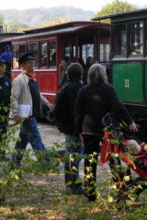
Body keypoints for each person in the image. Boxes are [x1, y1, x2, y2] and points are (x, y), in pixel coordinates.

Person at [74, 63, 138, 202]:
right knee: (114, 159)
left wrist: (79, 130)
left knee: (89, 161)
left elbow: (78, 112)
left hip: (88, 129)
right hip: (107, 130)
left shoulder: (83, 90)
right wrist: (130, 122)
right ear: (104, 75)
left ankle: (90, 192)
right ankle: (121, 189)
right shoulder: (109, 89)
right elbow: (118, 107)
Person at [11, 52, 52, 165]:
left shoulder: (31, 79)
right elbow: (14, 97)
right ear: (23, 65)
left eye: (33, 63)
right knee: (36, 139)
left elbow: (37, 94)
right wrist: (16, 114)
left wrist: (46, 103)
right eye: (30, 63)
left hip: (31, 114)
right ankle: (45, 162)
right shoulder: (18, 80)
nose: (32, 65)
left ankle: (15, 161)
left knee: (22, 141)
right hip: (27, 115)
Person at [53, 63, 85, 194]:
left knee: (70, 155)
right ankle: (74, 185)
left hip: (68, 128)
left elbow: (57, 110)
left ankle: (70, 183)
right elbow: (79, 112)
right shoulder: (80, 89)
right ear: (81, 74)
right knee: (76, 155)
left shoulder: (64, 88)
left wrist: (62, 125)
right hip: (77, 129)